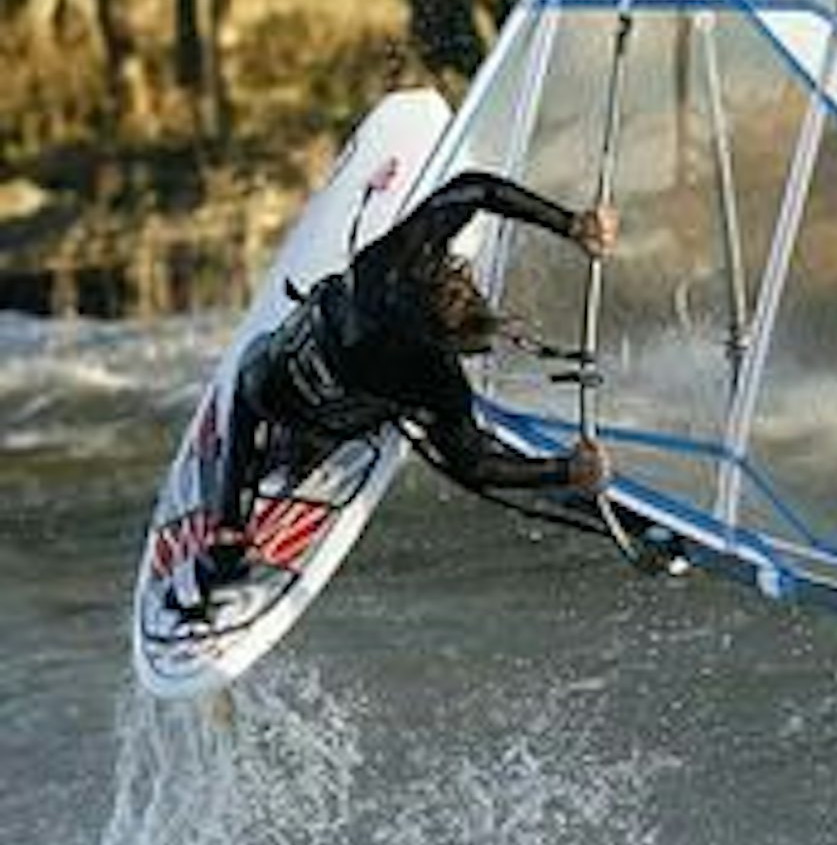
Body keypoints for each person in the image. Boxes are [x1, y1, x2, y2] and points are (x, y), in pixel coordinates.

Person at [195, 170, 618, 595]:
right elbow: (475, 468)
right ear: (445, 343)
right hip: (333, 423)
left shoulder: (390, 264)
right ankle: (288, 464)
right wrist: (565, 471)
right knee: (417, 425)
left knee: (254, 376)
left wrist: (571, 223)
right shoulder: (435, 380)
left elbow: (475, 188)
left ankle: (228, 527)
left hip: (271, 381)